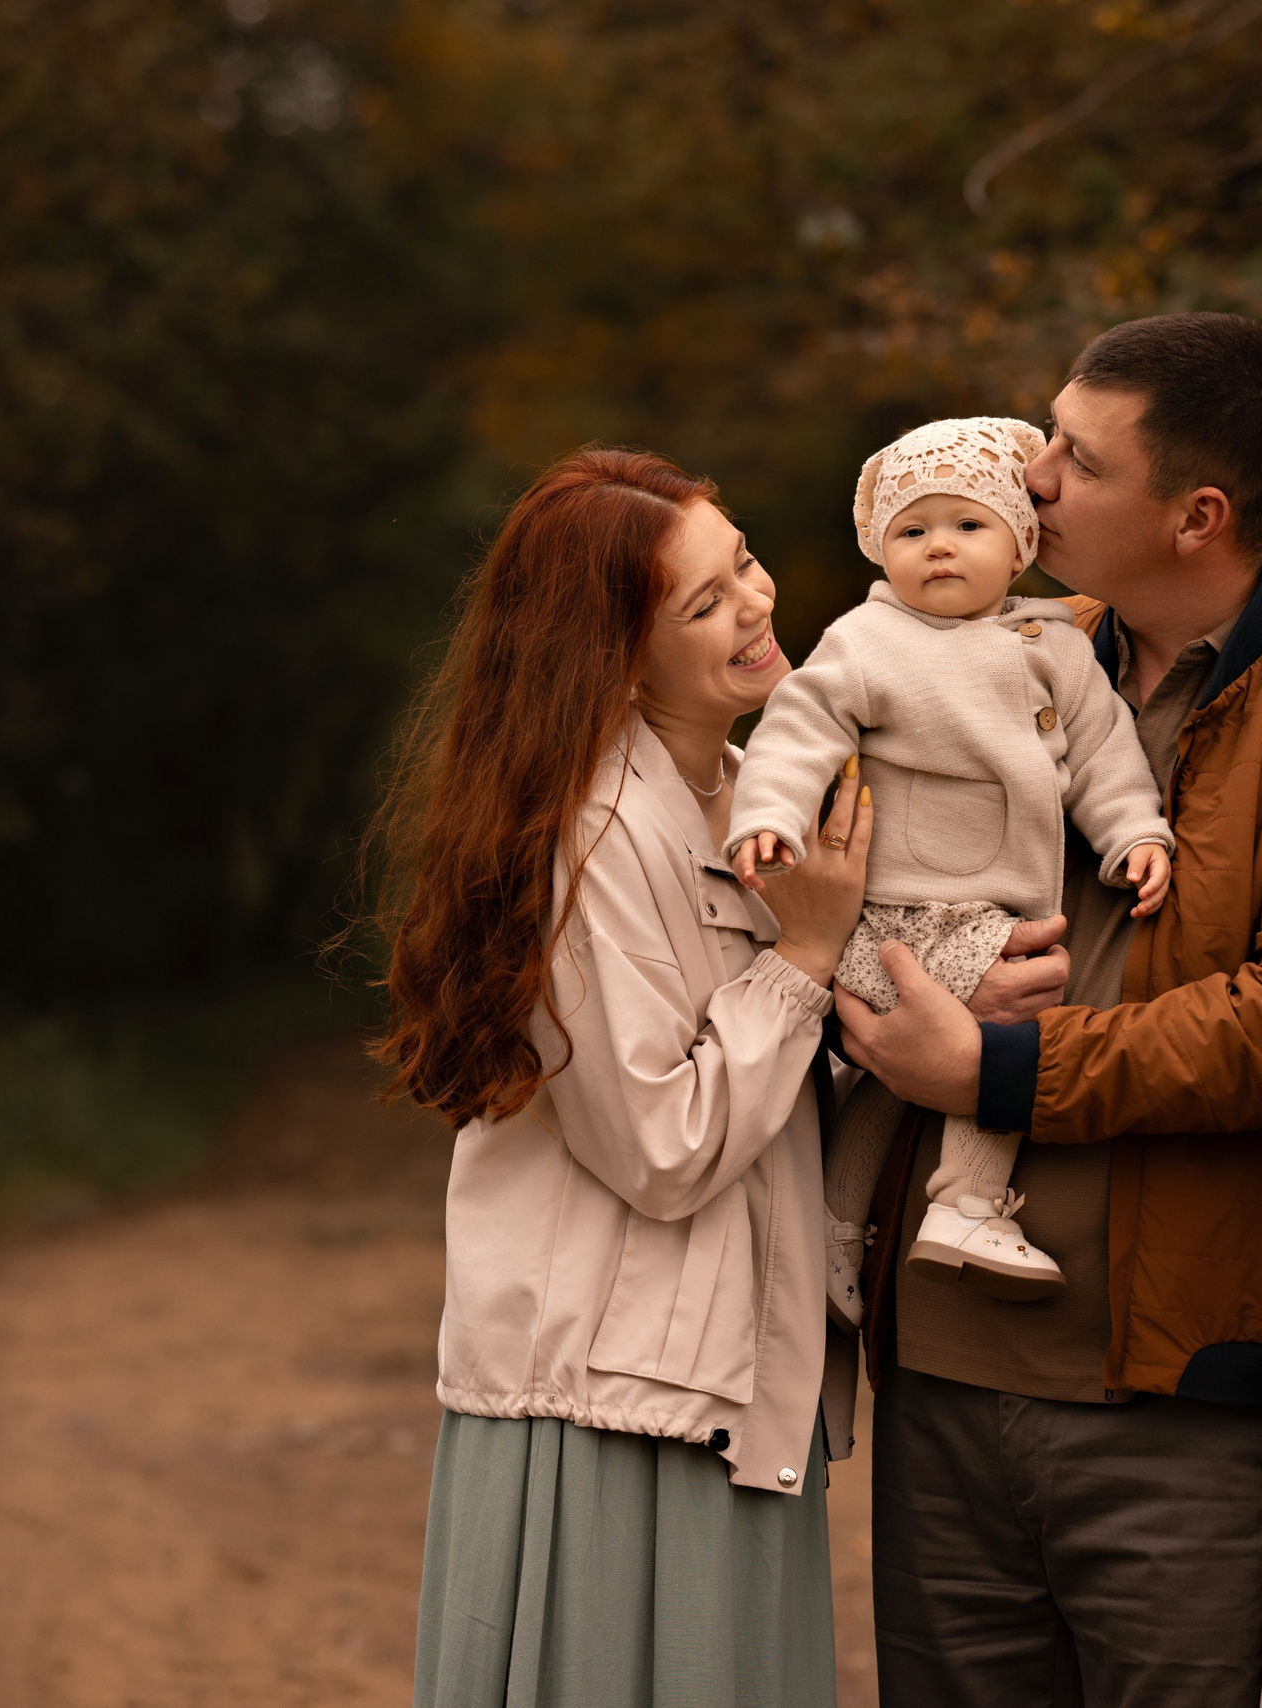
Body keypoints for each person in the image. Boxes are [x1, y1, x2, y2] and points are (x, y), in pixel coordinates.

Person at [834, 312, 1262, 1706]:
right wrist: (898, 983)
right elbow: (849, 886)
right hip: (942, 1364)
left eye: (1079, 460)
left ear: (1196, 514)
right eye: (1047, 437)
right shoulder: (994, 638)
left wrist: (997, 1068)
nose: (1029, 475)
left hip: (1172, 1391)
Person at [369, 448, 874, 1708]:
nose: (754, 603)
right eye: (704, 603)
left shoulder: (750, 799)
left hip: (720, 1384)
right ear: (616, 659)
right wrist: (803, 960)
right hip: (607, 1417)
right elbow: (664, 1142)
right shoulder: (589, 836)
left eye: (743, 562)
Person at [726, 415, 1174, 1317]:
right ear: (880, 551)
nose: (938, 547)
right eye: (912, 531)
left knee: (898, 1081)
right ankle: (968, 1202)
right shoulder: (867, 640)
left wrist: (1134, 832)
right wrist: (768, 816)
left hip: (988, 912)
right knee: (1009, 1038)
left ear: (1019, 548)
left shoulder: (1058, 647)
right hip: (896, 918)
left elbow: (1105, 755)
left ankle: (832, 1223)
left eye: (968, 525)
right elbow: (797, 731)